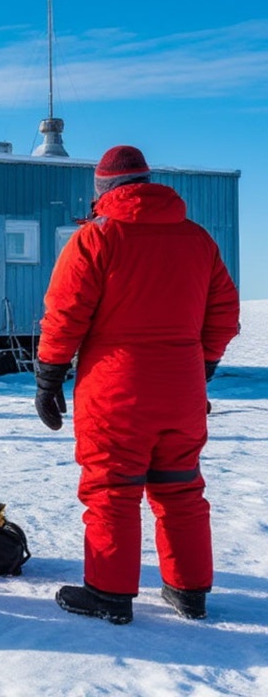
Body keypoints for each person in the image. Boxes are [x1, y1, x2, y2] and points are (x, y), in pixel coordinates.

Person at [34, 145, 240, 625]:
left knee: (112, 487)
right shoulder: (197, 240)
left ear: (103, 190)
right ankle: (189, 592)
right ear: (148, 183)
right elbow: (224, 314)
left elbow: (65, 315)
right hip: (183, 388)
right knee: (181, 488)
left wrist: (48, 377)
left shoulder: (96, 239)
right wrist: (202, 365)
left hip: (117, 388)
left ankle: (109, 593)